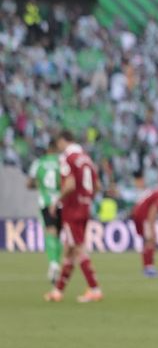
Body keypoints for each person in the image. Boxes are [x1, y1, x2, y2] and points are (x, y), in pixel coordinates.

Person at [46, 130, 102, 303]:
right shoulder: (86, 158)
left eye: (59, 144)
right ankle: (58, 291)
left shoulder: (67, 158)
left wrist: (57, 201)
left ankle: (94, 288)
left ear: (63, 141)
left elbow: (69, 184)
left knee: (78, 248)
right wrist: (86, 199)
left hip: (72, 208)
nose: (59, 148)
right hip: (85, 207)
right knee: (70, 249)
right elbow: (97, 185)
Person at [26, 134, 64, 283]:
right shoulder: (62, 162)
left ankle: (53, 263)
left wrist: (40, 186)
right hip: (61, 202)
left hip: (46, 202)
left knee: (50, 233)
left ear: (48, 149)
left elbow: (29, 183)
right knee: (59, 235)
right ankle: (57, 263)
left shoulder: (38, 163)